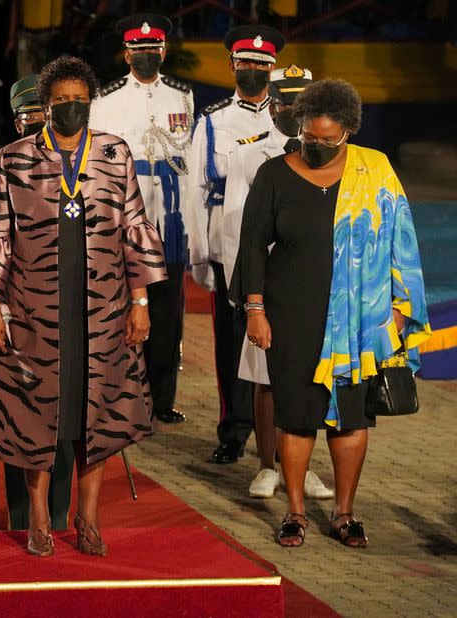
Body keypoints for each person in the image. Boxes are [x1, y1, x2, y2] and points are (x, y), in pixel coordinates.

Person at [0, 56, 166, 557]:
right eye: (61, 103)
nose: (71, 110)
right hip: (35, 312)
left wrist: (141, 301)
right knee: (34, 416)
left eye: (80, 102)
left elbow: (134, 230)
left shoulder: (114, 153)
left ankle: (87, 519)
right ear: (44, 107)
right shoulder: (16, 157)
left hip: (103, 309)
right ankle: (37, 520)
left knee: (97, 416)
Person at [229, 79, 431, 548]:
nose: (316, 146)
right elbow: (253, 246)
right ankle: (296, 512)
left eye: (328, 139)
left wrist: (400, 312)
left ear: (349, 132)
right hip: (290, 309)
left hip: (362, 316)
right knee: (296, 415)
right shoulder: (274, 174)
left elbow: (403, 238)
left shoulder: (374, 170)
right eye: (308, 138)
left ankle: (344, 513)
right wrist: (254, 310)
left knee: (351, 418)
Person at [0, 74, 75, 531]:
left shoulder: (82, 166)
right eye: (28, 115)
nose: (35, 123)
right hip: (17, 317)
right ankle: (22, 515)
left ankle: (62, 514)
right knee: (19, 415)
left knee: (68, 417)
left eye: (42, 114)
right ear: (16, 121)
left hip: (71, 314)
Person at [221, 66, 332, 500]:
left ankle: (301, 469)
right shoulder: (251, 155)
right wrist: (248, 296)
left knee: (309, 376)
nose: (289, 111)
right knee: (265, 377)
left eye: (299, 104)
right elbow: (237, 230)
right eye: (283, 103)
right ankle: (268, 466)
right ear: (272, 105)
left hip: (307, 283)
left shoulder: (325, 156)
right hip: (265, 286)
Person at [185, 24, 285, 465]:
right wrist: (200, 253)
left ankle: (284, 431)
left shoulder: (289, 115)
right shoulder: (212, 121)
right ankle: (235, 429)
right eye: (244, 63)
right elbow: (195, 189)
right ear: (232, 66)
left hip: (281, 249)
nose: (252, 71)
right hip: (230, 244)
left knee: (282, 340)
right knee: (231, 343)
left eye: (260, 65)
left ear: (272, 68)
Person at [89, 13, 193, 425]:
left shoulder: (183, 96)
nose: (147, 56)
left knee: (169, 314)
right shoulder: (107, 100)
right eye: (139, 50)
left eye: (153, 50)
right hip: (124, 221)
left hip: (170, 220)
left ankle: (161, 398)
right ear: (126, 53)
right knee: (120, 309)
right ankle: (118, 394)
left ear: (163, 51)